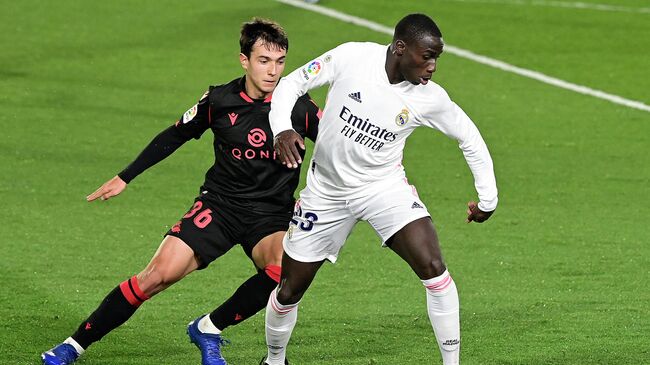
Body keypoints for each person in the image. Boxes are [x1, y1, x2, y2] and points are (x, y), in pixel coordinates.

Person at [40, 18, 320, 365]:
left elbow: (340, 147)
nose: (273, 71)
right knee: (155, 277)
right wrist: (126, 176)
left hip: (271, 215)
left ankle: (208, 327)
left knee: (285, 274)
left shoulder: (299, 108)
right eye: (263, 60)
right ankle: (72, 346)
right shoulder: (219, 100)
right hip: (220, 206)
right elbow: (175, 135)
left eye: (280, 62)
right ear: (244, 60)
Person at [261, 13, 498, 365]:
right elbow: (292, 83)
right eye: (427, 56)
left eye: (436, 58)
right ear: (400, 48)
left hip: (381, 187)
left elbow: (469, 138)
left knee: (433, 266)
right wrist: (281, 128)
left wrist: (488, 199)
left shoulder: (430, 98)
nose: (432, 67)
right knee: (290, 288)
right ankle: (274, 359)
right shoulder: (351, 57)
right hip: (325, 193)